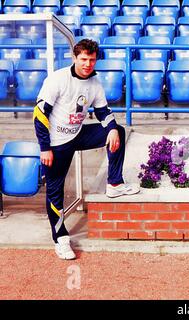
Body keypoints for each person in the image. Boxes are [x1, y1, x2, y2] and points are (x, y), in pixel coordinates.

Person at [33, 39, 140, 260]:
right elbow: (40, 114)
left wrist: (110, 128)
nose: (87, 64)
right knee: (55, 191)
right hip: (56, 143)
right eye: (83, 59)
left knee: (118, 131)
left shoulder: (95, 83)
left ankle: (115, 183)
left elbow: (103, 111)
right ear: (74, 58)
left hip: (78, 134)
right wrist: (45, 148)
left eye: (91, 60)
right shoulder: (58, 79)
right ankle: (60, 238)